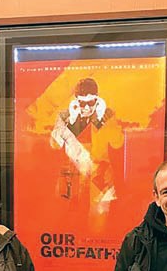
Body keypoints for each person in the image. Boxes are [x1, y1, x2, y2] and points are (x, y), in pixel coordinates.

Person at [50, 77, 124, 227]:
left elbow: (117, 143)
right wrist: (70, 121)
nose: (87, 107)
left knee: (98, 224)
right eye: (82, 103)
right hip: (72, 178)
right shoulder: (65, 116)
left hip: (99, 177)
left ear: (97, 99)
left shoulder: (107, 115)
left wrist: (102, 120)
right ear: (76, 100)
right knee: (69, 223)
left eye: (91, 102)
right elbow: (55, 145)